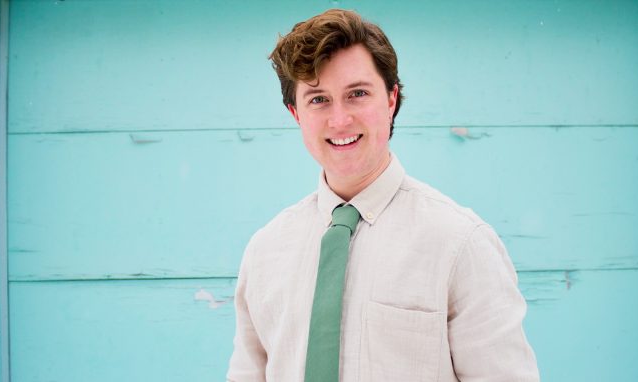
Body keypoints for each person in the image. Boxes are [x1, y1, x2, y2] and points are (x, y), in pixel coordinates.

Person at [227, 9, 539, 382]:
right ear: (296, 113)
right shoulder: (265, 253)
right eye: (318, 99)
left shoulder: (460, 243)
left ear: (391, 99)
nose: (339, 120)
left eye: (357, 94)